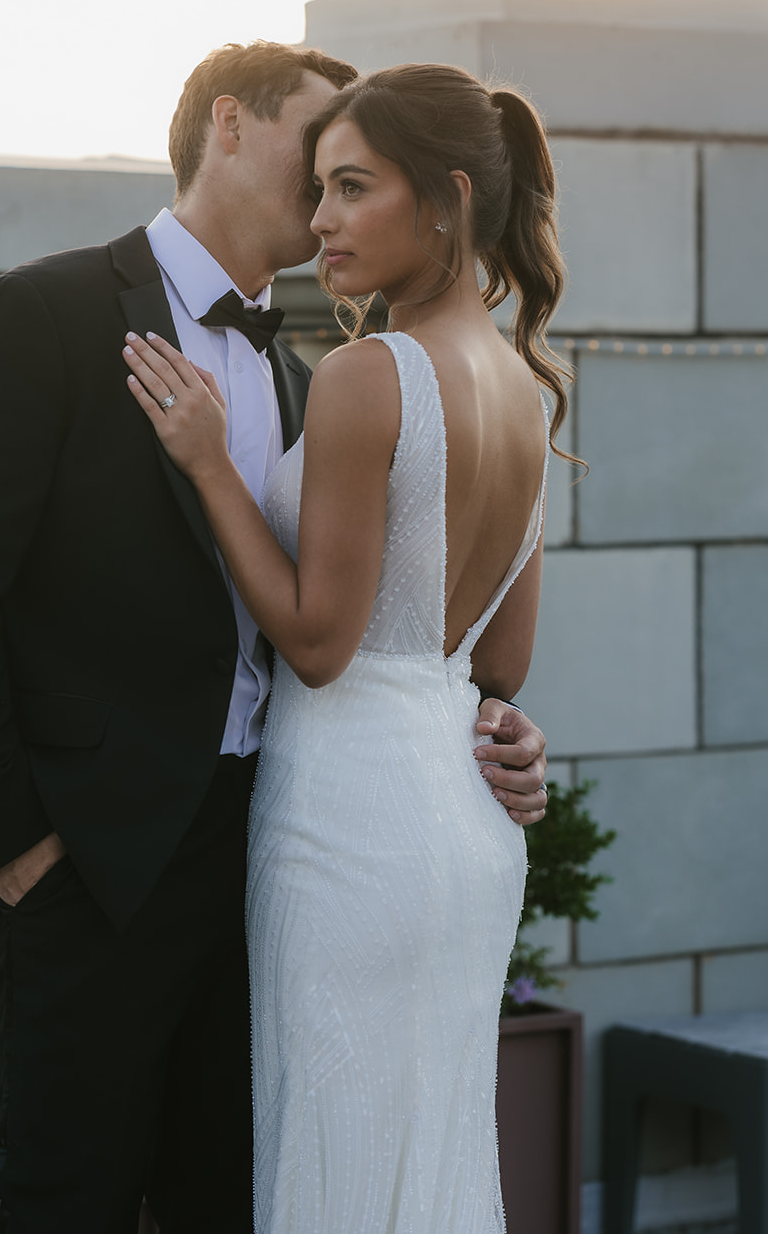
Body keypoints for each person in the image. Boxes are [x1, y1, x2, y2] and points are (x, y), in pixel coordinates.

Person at [0, 43, 550, 1234]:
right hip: (91, 868)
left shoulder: (319, 373)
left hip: (278, 849)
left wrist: (499, 725)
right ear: (232, 126)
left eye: (356, 179)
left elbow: (400, 622)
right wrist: (15, 849)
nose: (326, 201)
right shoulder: (36, 316)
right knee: (65, 1199)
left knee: (243, 1194)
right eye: (321, 159)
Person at [123, 61, 575, 1234]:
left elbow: (320, 644)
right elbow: (503, 663)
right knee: (423, 1163)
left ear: (445, 200)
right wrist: (501, 728)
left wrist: (212, 463)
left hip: (345, 829)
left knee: (330, 1163)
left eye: (351, 188)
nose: (318, 221)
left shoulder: (370, 375)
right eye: (317, 188)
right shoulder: (527, 392)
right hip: (463, 830)